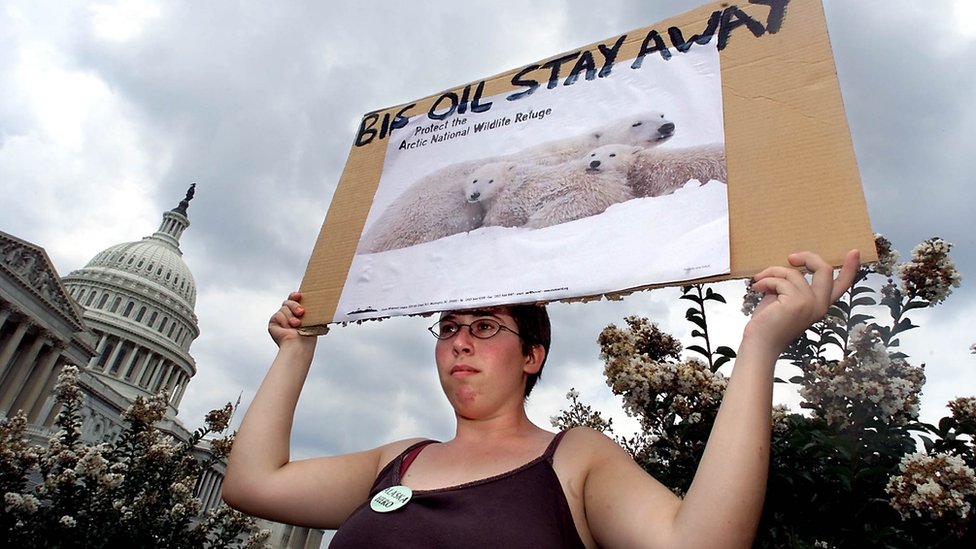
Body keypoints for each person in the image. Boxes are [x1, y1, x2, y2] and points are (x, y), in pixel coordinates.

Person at [223, 250, 861, 548]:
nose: (460, 344)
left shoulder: (574, 460)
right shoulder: (397, 461)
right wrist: (295, 350)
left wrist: (759, 348)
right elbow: (251, 484)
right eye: (448, 329)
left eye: (484, 328)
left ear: (533, 356)